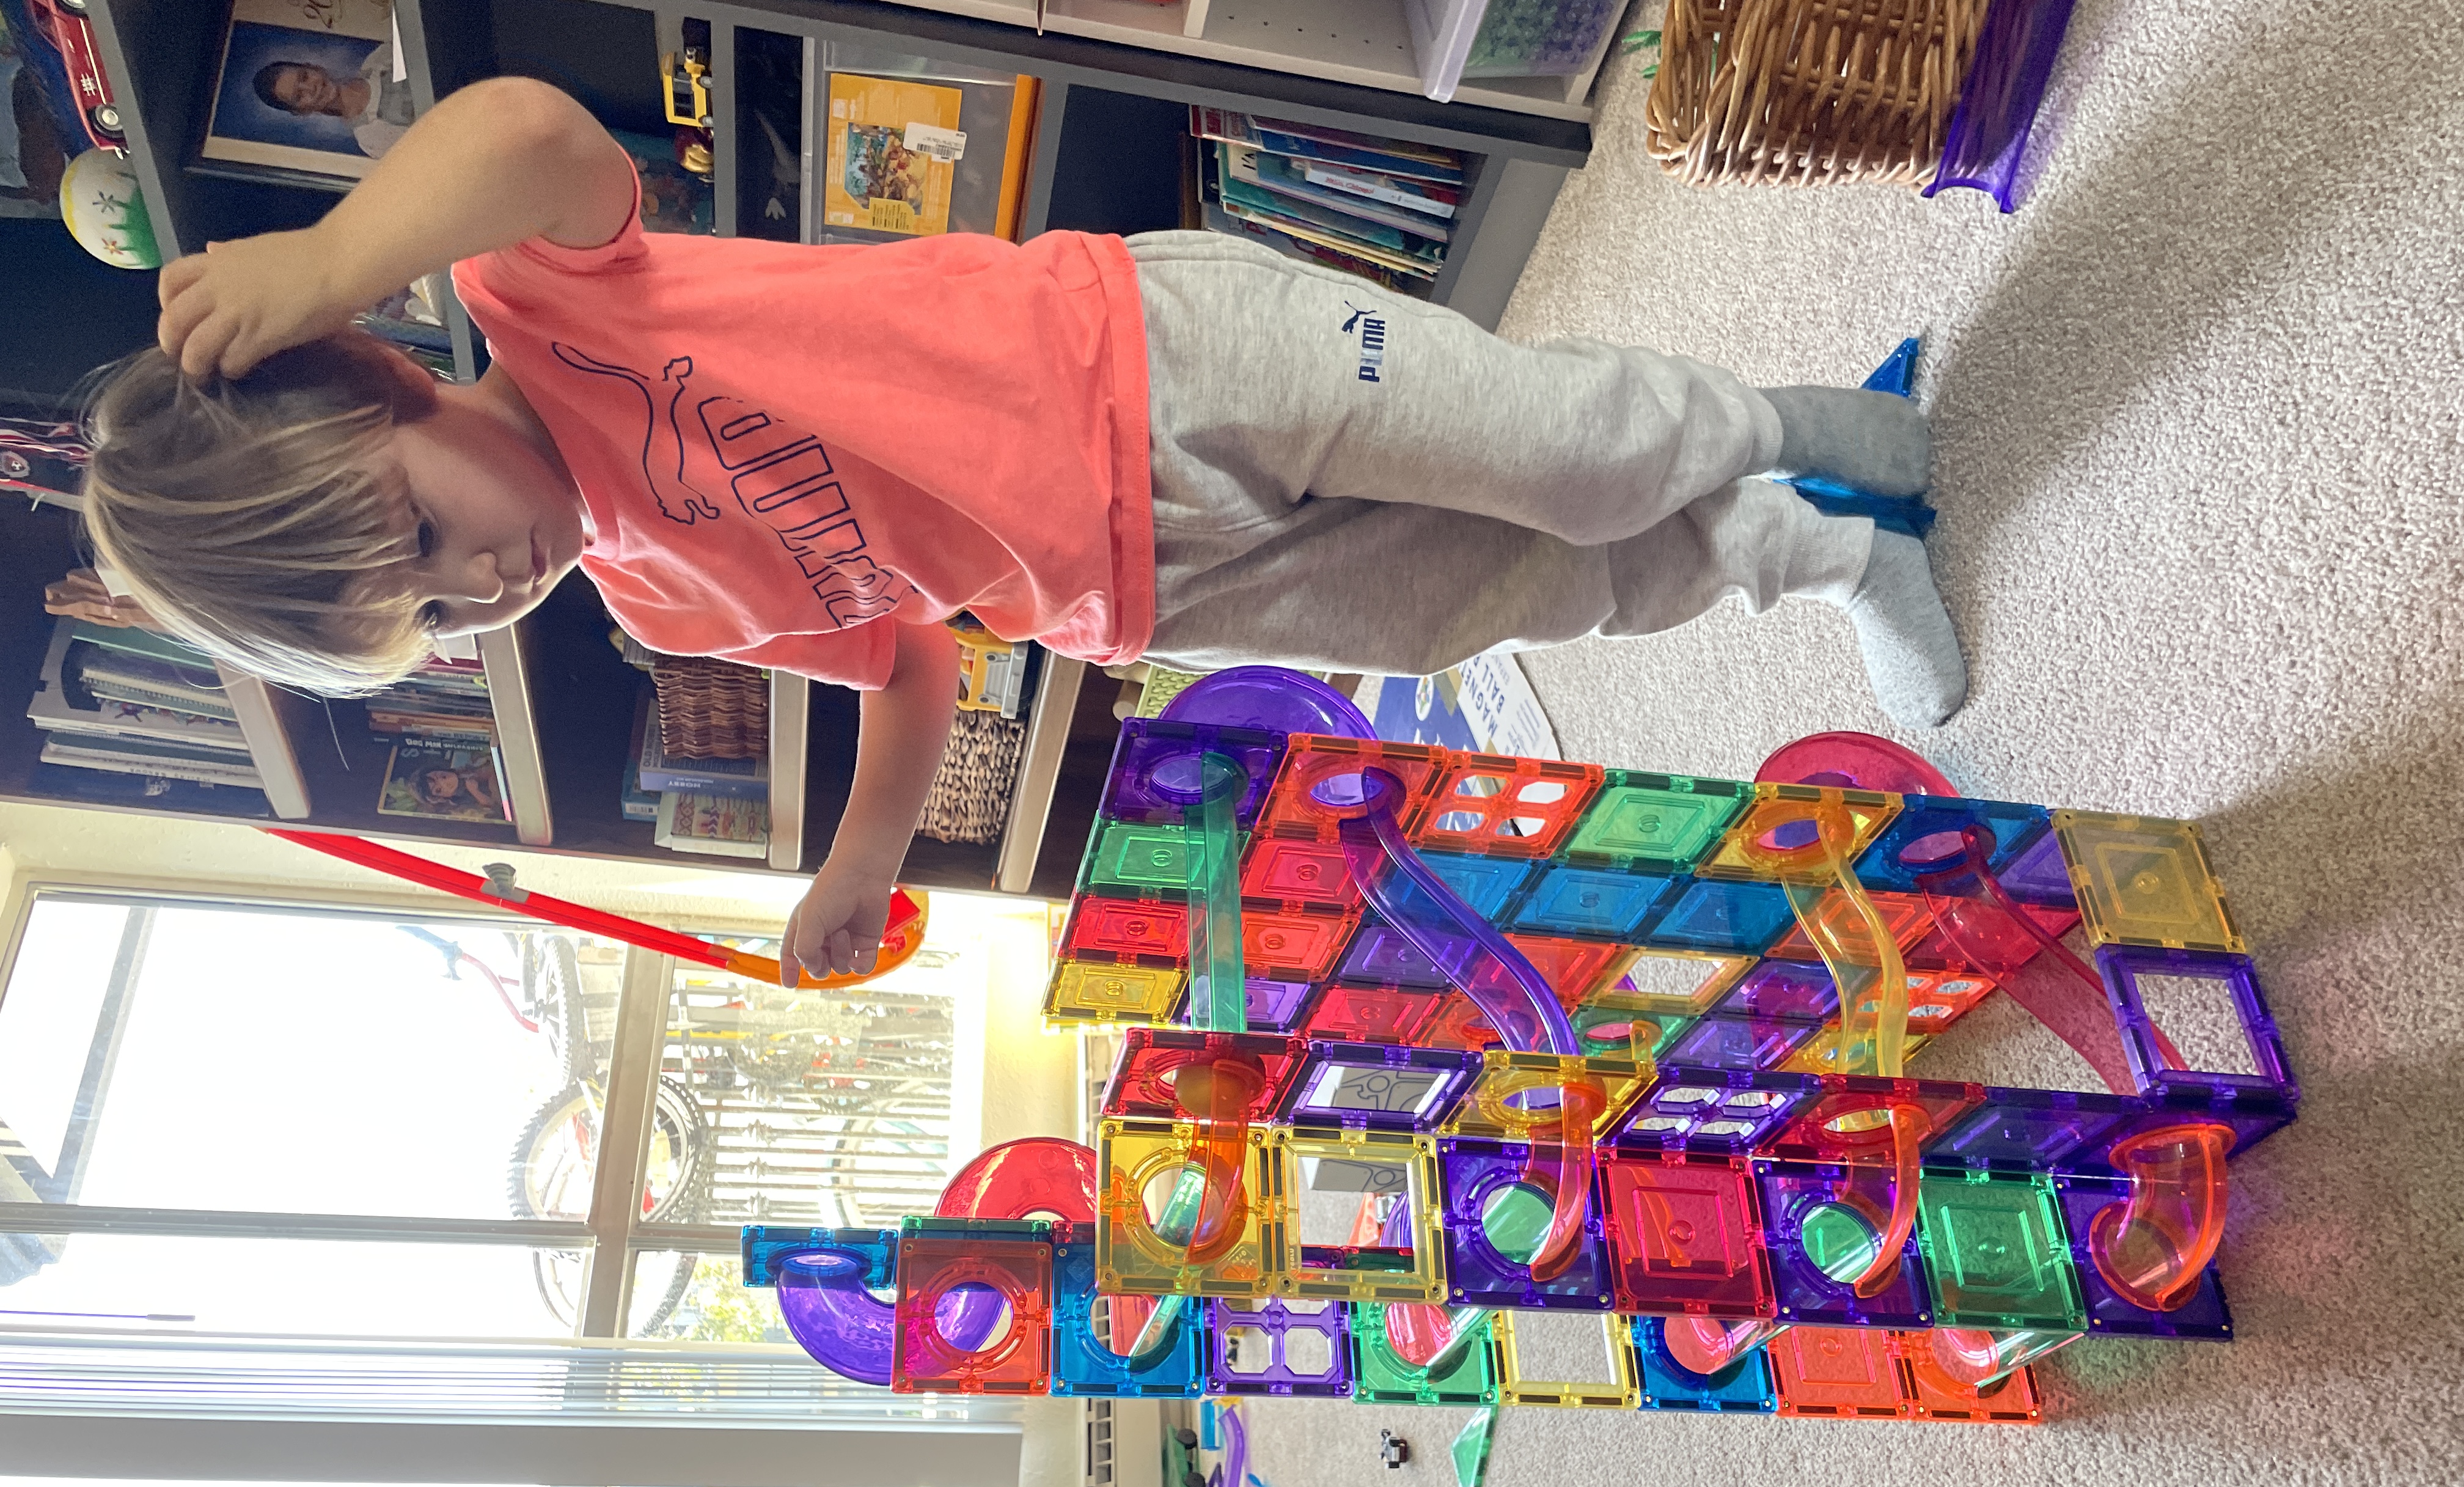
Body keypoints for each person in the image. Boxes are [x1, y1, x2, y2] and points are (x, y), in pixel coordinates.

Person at [79, 78, 1965, 989]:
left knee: (1564, 449)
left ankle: (1800, 429)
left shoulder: (544, 304)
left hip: (1157, 358)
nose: (471, 588)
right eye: (425, 619)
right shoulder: (662, 609)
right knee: (1518, 593)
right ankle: (1819, 548)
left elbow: (521, 128)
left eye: (418, 530)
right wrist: (855, 861)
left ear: (393, 389)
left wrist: (332, 256)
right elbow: (904, 661)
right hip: (1153, 584)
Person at [252, 45, 415, 157]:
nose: (311, 88)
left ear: (314, 67)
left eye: (305, 76)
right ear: (301, 111)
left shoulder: (381, 59)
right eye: (299, 96)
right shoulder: (371, 139)